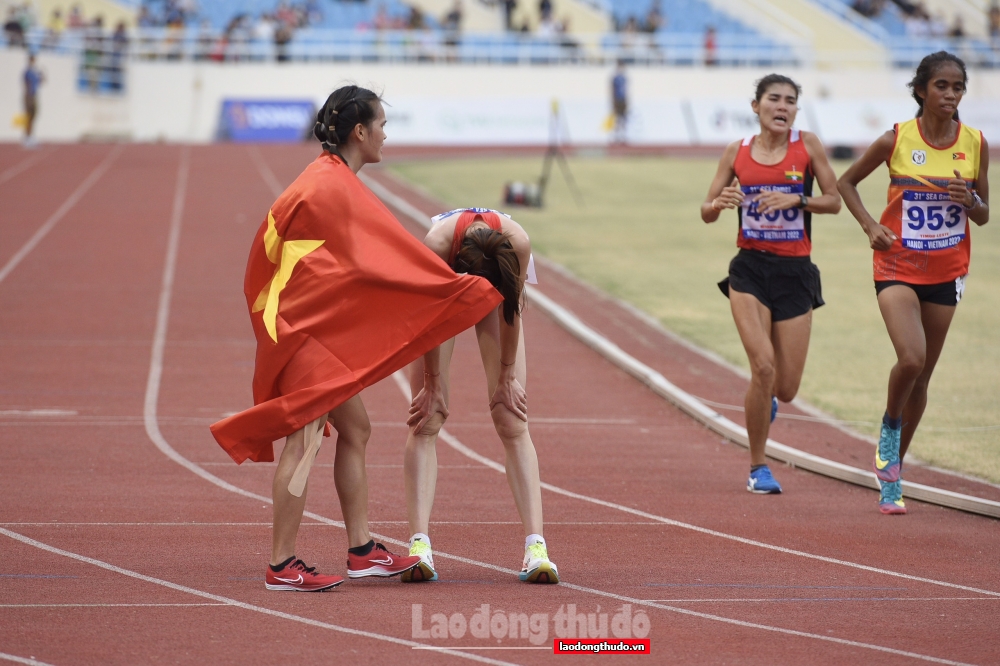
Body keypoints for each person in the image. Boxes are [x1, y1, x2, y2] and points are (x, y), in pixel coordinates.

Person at [210, 86, 503, 591]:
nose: (387, 134)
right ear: (359, 131)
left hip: (302, 324)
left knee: (357, 429)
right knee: (304, 440)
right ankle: (282, 565)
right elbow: (390, 259)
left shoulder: (328, 178)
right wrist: (459, 291)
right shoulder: (334, 188)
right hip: (302, 332)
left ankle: (362, 550)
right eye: (382, 124)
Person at [837, 52, 989, 514]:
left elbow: (983, 216)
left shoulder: (975, 142)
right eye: (941, 85)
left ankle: (891, 472)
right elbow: (846, 183)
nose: (950, 94)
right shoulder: (896, 139)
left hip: (947, 271)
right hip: (898, 265)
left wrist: (972, 199)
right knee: (911, 357)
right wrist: (870, 227)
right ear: (921, 89)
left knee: (924, 376)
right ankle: (889, 425)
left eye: (958, 87)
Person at [401, 207, 559, 585]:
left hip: (498, 292)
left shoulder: (516, 243)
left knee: (511, 415)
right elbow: (429, 320)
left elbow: (511, 310)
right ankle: (419, 545)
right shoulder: (436, 246)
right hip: (440, 300)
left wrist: (506, 377)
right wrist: (433, 383)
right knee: (426, 417)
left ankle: (536, 548)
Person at [701, 74, 841, 494]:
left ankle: (769, 402)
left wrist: (797, 199)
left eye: (791, 101)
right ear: (756, 105)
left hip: (795, 273)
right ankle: (758, 467)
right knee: (762, 366)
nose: (783, 107)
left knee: (786, 386)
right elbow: (707, 209)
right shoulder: (737, 151)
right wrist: (720, 203)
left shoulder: (808, 145)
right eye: (774, 99)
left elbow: (834, 201)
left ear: (797, 109)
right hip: (750, 270)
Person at [22, 53, 43, 148]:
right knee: (29, 117)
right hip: (29, 96)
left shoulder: (35, 72)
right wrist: (29, 97)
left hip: (34, 95)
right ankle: (27, 138)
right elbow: (26, 84)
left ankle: (30, 136)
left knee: (33, 116)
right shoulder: (27, 72)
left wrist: (42, 74)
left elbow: (41, 82)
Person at [611, 61, 627, 144]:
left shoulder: (624, 78)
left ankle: (623, 136)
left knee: (624, 119)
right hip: (617, 100)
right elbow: (613, 90)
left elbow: (626, 90)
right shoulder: (615, 78)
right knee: (617, 119)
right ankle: (616, 136)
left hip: (623, 100)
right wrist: (613, 101)